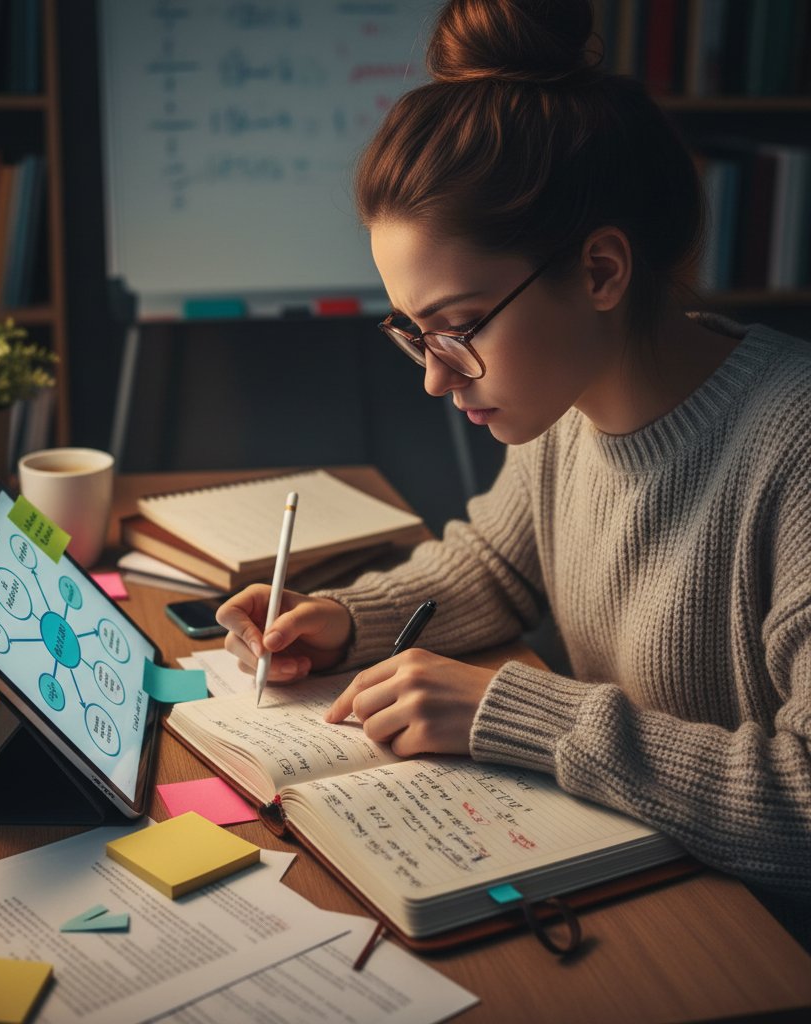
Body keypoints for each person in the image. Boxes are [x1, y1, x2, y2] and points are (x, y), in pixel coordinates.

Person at [216, 0, 811, 911]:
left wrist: (518, 714)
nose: (435, 379)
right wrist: (342, 618)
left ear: (602, 271)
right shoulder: (567, 407)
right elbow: (495, 565)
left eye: (457, 328)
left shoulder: (793, 449)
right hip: (650, 878)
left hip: (757, 941)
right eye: (416, 336)